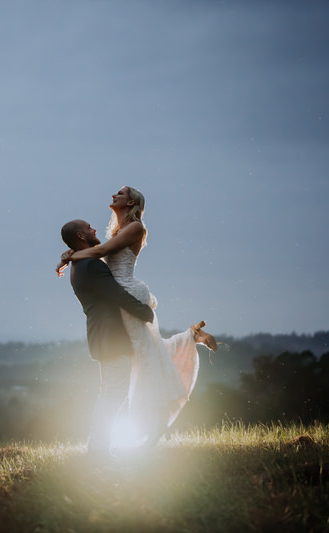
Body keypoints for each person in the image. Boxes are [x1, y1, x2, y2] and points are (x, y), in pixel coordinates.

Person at [58, 186, 217, 447]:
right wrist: (71, 256)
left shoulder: (135, 227)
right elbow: (98, 254)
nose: (113, 195)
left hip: (128, 294)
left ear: (131, 201)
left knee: (147, 361)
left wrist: (70, 256)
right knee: (150, 354)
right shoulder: (114, 233)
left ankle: (148, 429)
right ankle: (191, 337)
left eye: (119, 193)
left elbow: (98, 253)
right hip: (121, 297)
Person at [60, 218, 155, 459]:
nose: (94, 229)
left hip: (100, 335)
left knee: (110, 393)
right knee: (114, 394)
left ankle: (98, 447)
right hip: (111, 335)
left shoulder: (79, 265)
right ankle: (98, 449)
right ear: (82, 236)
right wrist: (146, 311)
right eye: (89, 227)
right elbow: (117, 295)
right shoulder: (91, 266)